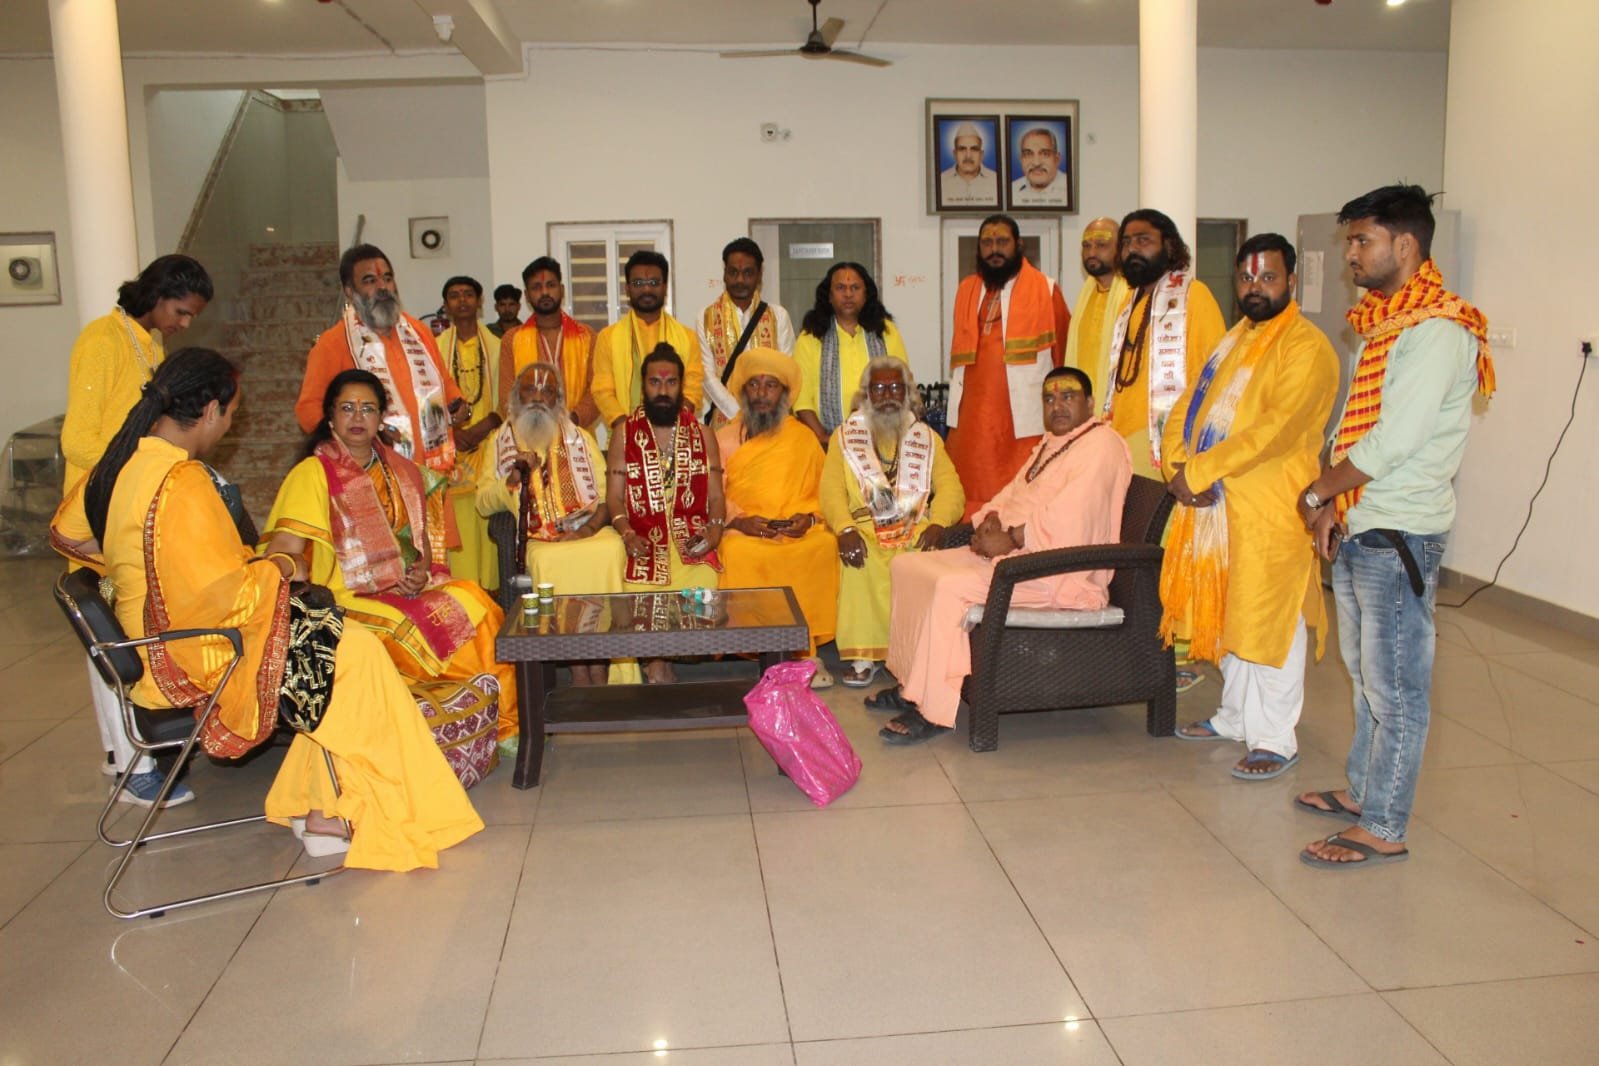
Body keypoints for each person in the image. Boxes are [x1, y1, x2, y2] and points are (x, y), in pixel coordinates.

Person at [52, 349, 483, 869]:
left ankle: (316, 803)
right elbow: (230, 594)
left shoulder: (121, 464)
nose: (228, 427)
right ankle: (334, 813)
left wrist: (141, 567)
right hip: (194, 652)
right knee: (354, 656)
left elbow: (73, 536)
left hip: (154, 639)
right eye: (231, 414)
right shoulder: (182, 482)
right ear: (210, 410)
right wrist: (279, 566)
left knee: (345, 643)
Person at [1295, 185, 1494, 869]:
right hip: (1363, 520)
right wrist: (1333, 506)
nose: (1349, 254)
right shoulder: (1386, 323)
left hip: (1399, 532)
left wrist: (1318, 490)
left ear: (1404, 245)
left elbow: (1393, 441)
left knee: (1397, 690)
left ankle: (1383, 824)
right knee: (1364, 678)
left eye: (1362, 240)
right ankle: (1362, 793)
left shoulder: (1436, 330)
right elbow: (1357, 428)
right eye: (1349, 240)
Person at [868, 367, 1131, 743]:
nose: (1057, 405)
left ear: (1090, 403)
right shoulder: (1053, 443)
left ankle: (933, 709)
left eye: (1068, 396)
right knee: (908, 565)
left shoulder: (1102, 445)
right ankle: (911, 683)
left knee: (948, 587)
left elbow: (1074, 517)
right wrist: (988, 520)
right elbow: (1012, 494)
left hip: (1057, 572)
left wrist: (1010, 539)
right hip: (1015, 558)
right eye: (1049, 398)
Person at [1160, 234, 1339, 780]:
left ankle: (1275, 739)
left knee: (1271, 622)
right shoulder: (1233, 340)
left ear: (1292, 281)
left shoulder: (1307, 348)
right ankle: (1235, 716)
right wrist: (1177, 467)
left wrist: (1198, 473)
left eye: (1268, 277)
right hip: (1218, 508)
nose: (1255, 287)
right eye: (1246, 277)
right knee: (1231, 614)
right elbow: (1187, 407)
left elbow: (1274, 431)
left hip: (1272, 509)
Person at [264, 370, 518, 741]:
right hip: (347, 596)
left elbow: (421, 546)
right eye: (347, 408)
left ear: (381, 417)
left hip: (408, 587)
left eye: (368, 409)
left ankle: (499, 724)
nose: (357, 417)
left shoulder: (402, 470)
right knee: (436, 639)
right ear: (330, 416)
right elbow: (285, 548)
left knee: (479, 604)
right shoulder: (312, 473)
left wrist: (419, 572)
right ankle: (467, 726)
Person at [60, 253, 213, 807]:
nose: (184, 323)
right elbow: (78, 440)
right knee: (111, 638)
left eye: (192, 316)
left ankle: (123, 751)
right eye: (181, 311)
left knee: (128, 626)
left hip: (128, 508)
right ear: (155, 295)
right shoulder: (102, 340)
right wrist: (138, 465)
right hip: (99, 513)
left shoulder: (149, 344)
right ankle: (132, 766)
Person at [477, 362, 634, 685]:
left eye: (547, 391)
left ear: (558, 400)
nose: (538, 397)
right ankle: (579, 668)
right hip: (538, 539)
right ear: (516, 396)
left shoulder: (581, 439)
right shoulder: (499, 441)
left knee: (610, 550)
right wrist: (512, 480)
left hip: (589, 531)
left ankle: (600, 663)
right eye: (530, 389)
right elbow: (482, 502)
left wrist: (585, 530)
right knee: (549, 562)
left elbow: (606, 497)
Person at [821, 357, 965, 688]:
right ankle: (864, 656)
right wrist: (844, 529)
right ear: (866, 395)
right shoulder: (845, 437)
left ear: (908, 394)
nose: (887, 395)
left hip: (915, 527)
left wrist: (939, 523)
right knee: (859, 561)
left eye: (896, 388)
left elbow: (951, 488)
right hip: (863, 529)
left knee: (923, 560)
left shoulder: (927, 438)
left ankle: (915, 652)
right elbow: (830, 491)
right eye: (879, 388)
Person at [716, 348, 840, 686]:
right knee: (737, 552)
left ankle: (805, 653)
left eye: (770, 385)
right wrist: (739, 521)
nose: (761, 393)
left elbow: (826, 491)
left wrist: (810, 519)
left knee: (822, 546)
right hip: (745, 530)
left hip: (798, 530)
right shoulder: (723, 439)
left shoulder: (803, 438)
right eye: (754, 385)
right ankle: (761, 650)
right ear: (743, 392)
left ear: (784, 394)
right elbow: (713, 493)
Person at [294, 244, 468, 482]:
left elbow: (445, 383)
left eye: (387, 278)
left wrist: (458, 405)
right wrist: (362, 434)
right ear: (349, 291)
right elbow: (309, 411)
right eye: (369, 281)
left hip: (433, 476)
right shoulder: (332, 344)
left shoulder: (418, 332)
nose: (382, 287)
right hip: (372, 478)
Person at [605, 345, 726, 684]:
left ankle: (669, 655)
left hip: (690, 541)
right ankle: (655, 661)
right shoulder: (624, 433)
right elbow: (614, 498)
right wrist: (627, 533)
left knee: (705, 584)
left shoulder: (703, 435)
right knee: (633, 586)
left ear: (681, 386)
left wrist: (714, 531)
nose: (662, 390)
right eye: (655, 382)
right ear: (643, 386)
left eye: (670, 382)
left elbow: (717, 497)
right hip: (643, 541)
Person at [945, 213, 1072, 511]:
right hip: (972, 422)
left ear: (1018, 245)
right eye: (987, 243)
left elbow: (1064, 359)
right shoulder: (967, 290)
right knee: (967, 492)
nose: (994, 249)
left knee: (1022, 498)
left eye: (1002, 242)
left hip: (1024, 422)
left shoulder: (1046, 290)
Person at [1101, 209, 1228, 482]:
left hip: (1163, 443)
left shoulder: (1194, 296)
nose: (1132, 249)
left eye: (1143, 240)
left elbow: (1212, 375)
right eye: (1126, 242)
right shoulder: (1129, 302)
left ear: (1169, 246)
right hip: (1122, 438)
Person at [435, 275, 503, 590]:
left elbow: (508, 397)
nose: (462, 300)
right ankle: (459, 588)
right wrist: (451, 430)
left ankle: (490, 590)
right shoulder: (434, 349)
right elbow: (425, 401)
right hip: (449, 449)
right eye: (454, 295)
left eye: (468, 294)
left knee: (486, 518)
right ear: (446, 305)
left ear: (479, 301)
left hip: (489, 444)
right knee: (457, 522)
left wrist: (481, 428)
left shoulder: (498, 348)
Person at [792, 261, 908, 446]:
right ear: (829, 295)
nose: (848, 294)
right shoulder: (811, 336)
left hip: (883, 441)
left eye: (855, 288)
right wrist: (823, 437)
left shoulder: (886, 332)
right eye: (840, 288)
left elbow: (903, 384)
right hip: (830, 443)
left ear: (866, 294)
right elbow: (801, 399)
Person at [592, 250, 704, 428]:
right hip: (624, 434)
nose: (646, 289)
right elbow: (602, 390)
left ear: (665, 287)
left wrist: (670, 428)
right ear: (627, 288)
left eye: (654, 283)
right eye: (638, 283)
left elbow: (693, 387)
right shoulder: (608, 338)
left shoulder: (687, 337)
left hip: (675, 434)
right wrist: (628, 430)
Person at [697, 237, 796, 428]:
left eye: (748, 273)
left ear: (759, 275)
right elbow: (707, 374)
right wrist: (738, 413)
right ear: (724, 274)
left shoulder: (778, 316)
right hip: (725, 420)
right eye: (733, 272)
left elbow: (787, 370)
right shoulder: (706, 317)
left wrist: (762, 410)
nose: (740, 280)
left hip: (771, 419)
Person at [498, 257, 600, 431]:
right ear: (527, 295)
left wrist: (571, 421)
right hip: (528, 436)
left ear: (562, 289)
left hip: (578, 436)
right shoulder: (512, 339)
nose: (544, 292)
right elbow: (507, 396)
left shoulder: (587, 336)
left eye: (551, 285)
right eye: (536, 287)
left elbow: (596, 389)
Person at [1063, 217, 1130, 385]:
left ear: (1120, 248)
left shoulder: (1133, 295)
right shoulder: (1086, 295)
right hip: (1086, 396)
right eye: (1086, 245)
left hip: (1118, 395)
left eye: (1101, 245)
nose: (1091, 253)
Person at [938, 121, 999, 206]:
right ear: (954, 154)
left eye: (974, 149)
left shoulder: (996, 180)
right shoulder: (941, 181)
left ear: (981, 155)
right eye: (962, 149)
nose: (968, 156)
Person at [1009, 126, 1070, 208]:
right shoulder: (1012, 189)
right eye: (1028, 154)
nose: (1036, 163)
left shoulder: (1071, 189)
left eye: (1045, 154)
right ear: (1021, 159)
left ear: (1057, 159)